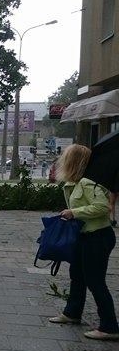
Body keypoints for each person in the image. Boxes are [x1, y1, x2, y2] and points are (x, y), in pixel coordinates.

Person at [48, 144, 119, 340]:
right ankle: (72, 312)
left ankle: (109, 326)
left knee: (95, 281)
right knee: (77, 275)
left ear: (73, 161)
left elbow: (103, 207)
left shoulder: (88, 183)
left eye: (65, 157)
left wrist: (74, 212)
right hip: (84, 236)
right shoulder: (74, 183)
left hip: (98, 237)